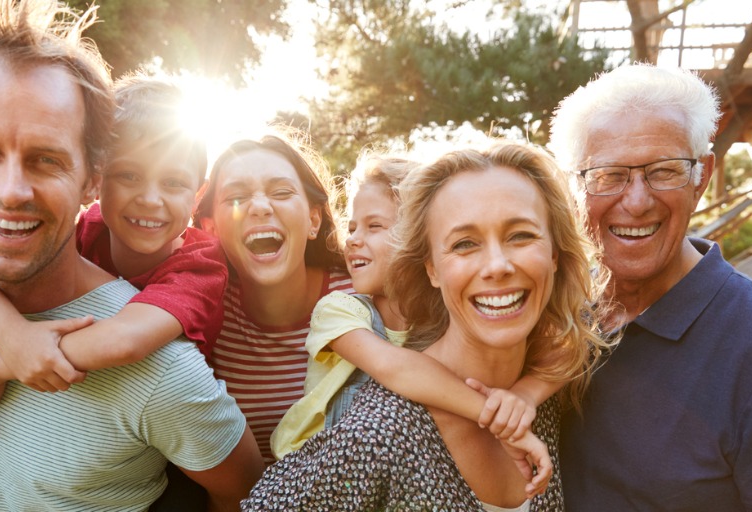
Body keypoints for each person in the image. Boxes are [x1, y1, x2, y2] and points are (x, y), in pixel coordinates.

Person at [0, 1, 262, 510]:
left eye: (46, 159)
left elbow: (249, 491)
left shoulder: (169, 351)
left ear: (88, 177)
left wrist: (3, 364)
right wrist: (11, 334)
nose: (12, 191)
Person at [242, 142, 611, 511]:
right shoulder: (380, 433)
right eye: (465, 244)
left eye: (521, 235)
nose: (497, 265)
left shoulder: (541, 399)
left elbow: (582, 334)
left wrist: (527, 397)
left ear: (554, 255)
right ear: (431, 268)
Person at [550, 63, 752, 510]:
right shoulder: (551, 316)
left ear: (701, 176)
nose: (638, 201)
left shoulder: (748, 341)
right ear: (573, 188)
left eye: (664, 171)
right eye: (609, 174)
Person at [193, 132, 353, 463]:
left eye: (280, 192)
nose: (260, 207)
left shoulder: (362, 300)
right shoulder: (201, 313)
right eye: (236, 197)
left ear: (313, 219)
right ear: (211, 229)